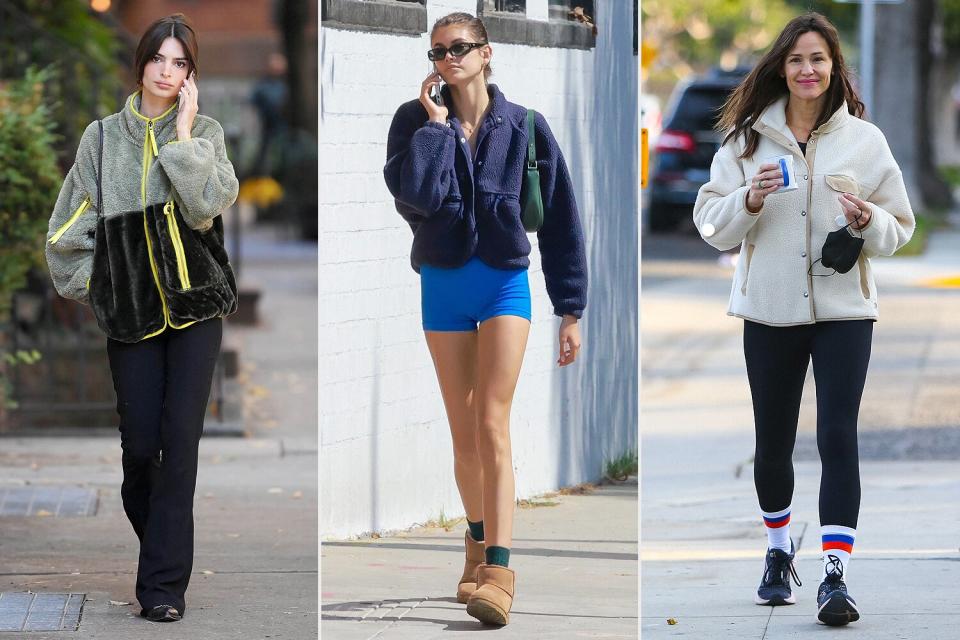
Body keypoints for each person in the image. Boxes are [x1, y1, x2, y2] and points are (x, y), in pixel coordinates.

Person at [693, 12, 914, 627]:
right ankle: (776, 551)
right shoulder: (746, 141)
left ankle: (835, 575)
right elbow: (710, 224)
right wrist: (750, 198)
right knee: (773, 442)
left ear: (833, 68)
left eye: (817, 59)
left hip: (845, 310)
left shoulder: (865, 142)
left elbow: (902, 227)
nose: (807, 70)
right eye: (796, 60)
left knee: (838, 435)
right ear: (780, 68)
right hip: (768, 310)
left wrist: (869, 219)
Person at [383, 11, 587, 627]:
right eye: (438, 51)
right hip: (443, 284)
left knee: (492, 421)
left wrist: (570, 308)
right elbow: (412, 196)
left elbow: (561, 223)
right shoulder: (414, 121)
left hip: (503, 283)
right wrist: (440, 130)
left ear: (486, 52)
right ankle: (474, 539)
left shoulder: (525, 126)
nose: (448, 59)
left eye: (460, 48)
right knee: (463, 429)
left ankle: (498, 570)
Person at [45, 14, 239, 623]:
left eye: (180, 62)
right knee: (141, 451)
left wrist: (183, 139)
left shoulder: (204, 131)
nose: (166, 70)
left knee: (180, 446)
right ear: (142, 63)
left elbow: (208, 208)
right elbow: (65, 232)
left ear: (190, 76)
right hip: (130, 319)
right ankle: (162, 544)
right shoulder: (102, 139)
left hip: (195, 309)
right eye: (159, 58)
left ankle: (162, 586)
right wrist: (98, 288)